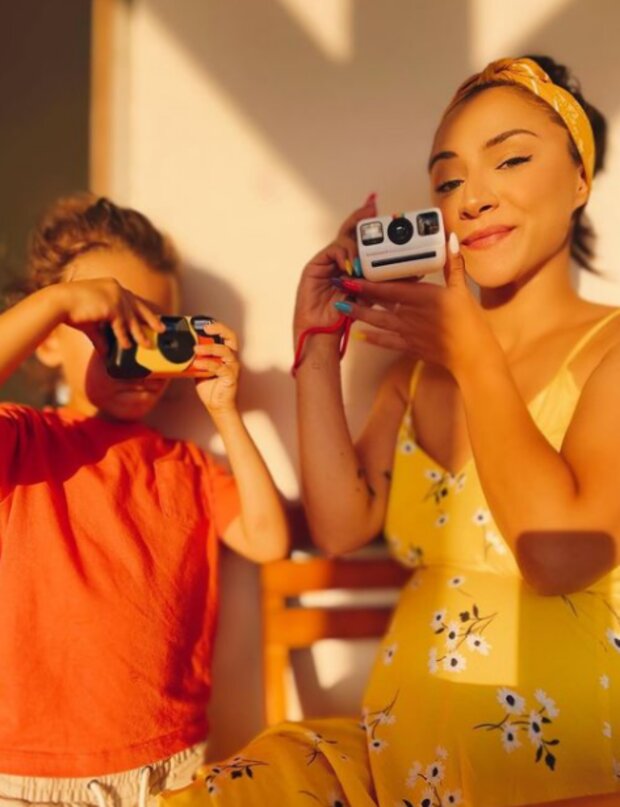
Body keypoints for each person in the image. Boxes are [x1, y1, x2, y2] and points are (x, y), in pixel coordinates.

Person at [160, 56, 620, 807]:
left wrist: (473, 353)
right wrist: (314, 345)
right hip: (404, 757)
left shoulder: (611, 350)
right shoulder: (417, 371)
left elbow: (560, 556)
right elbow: (341, 525)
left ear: (578, 180)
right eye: (447, 180)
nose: (472, 198)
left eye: (510, 159)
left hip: (569, 767)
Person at [0, 194, 289, 806]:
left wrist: (225, 412)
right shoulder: (21, 441)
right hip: (25, 773)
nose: (140, 352)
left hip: (165, 770)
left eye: (160, 331)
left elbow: (268, 540)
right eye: (113, 326)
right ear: (50, 342)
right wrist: (59, 302)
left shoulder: (185, 465)